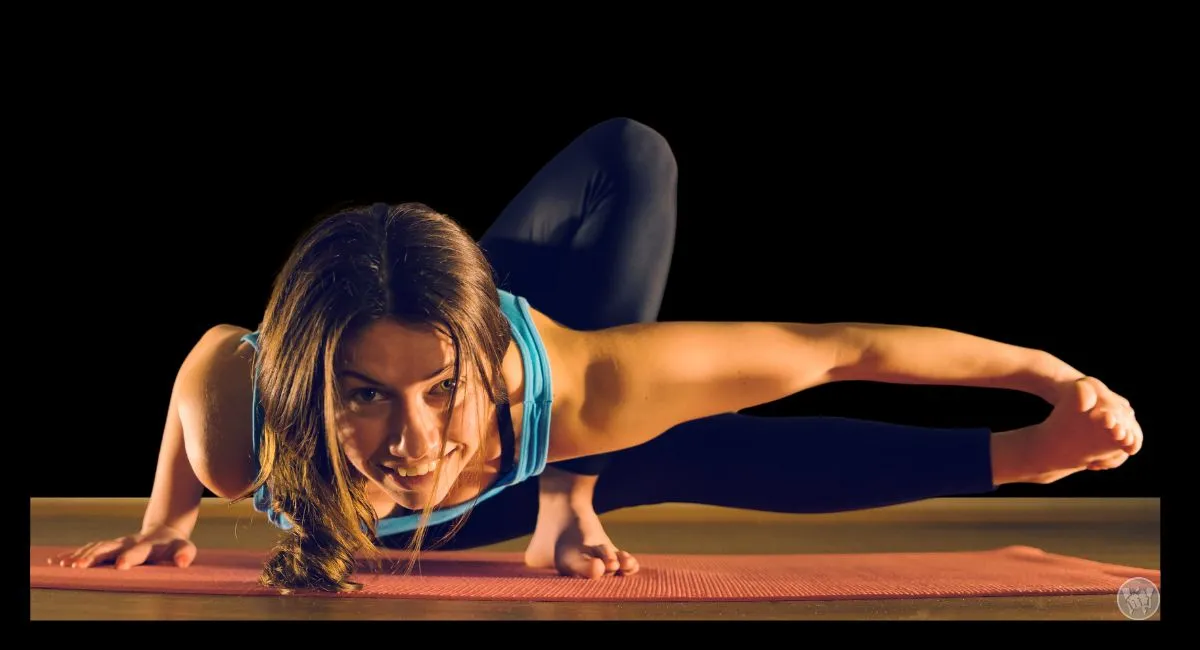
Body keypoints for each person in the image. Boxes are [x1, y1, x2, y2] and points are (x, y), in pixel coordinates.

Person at [55, 118, 1144, 593]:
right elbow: (201, 359)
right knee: (641, 451)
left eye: (444, 390)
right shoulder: (238, 418)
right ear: (305, 390)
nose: (418, 440)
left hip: (545, 436)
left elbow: (834, 348)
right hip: (470, 484)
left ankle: (1022, 456)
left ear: (486, 361)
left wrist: (1044, 375)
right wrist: (169, 520)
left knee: (665, 426)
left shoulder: (580, 385)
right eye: (365, 398)